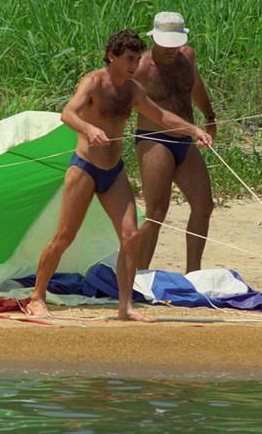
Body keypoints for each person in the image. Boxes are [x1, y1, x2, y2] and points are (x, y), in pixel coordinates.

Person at [27, 28, 212, 322]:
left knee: (130, 235)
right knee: (65, 236)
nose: (134, 65)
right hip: (85, 168)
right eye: (129, 59)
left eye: (138, 59)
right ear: (112, 56)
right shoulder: (93, 82)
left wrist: (194, 129)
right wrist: (88, 129)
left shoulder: (133, 90)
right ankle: (37, 297)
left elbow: (161, 117)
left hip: (113, 171)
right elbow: (68, 113)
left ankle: (125, 307)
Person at [134, 12, 218, 273]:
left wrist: (209, 116)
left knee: (204, 206)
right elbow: (123, 100)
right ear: (153, 38)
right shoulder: (141, 68)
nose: (170, 49)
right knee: (157, 212)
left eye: (175, 43)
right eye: (164, 43)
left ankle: (193, 273)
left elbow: (195, 87)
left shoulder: (187, 57)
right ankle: (138, 275)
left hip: (186, 141)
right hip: (154, 140)